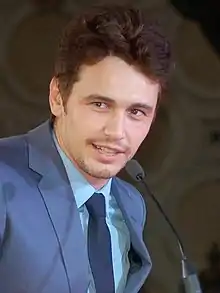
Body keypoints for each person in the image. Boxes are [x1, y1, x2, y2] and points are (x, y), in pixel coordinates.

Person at [0, 4, 171, 293]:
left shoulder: (131, 203)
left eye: (137, 112)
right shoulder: (5, 179)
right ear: (57, 97)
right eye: (100, 104)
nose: (117, 132)